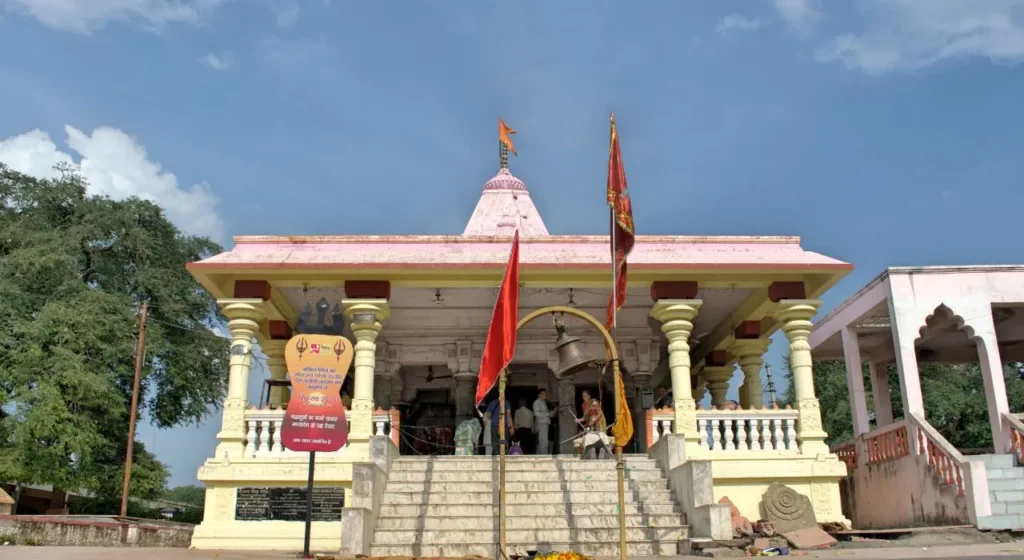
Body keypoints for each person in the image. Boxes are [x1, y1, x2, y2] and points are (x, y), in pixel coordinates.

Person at [532, 388, 557, 455]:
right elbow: (536, 413)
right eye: (543, 393)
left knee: (543, 441)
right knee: (543, 441)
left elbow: (546, 414)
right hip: (541, 423)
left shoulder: (544, 402)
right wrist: (548, 414)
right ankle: (544, 456)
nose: (545, 395)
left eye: (545, 393)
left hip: (545, 423)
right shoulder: (537, 402)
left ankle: (540, 455)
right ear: (539, 395)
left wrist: (552, 412)